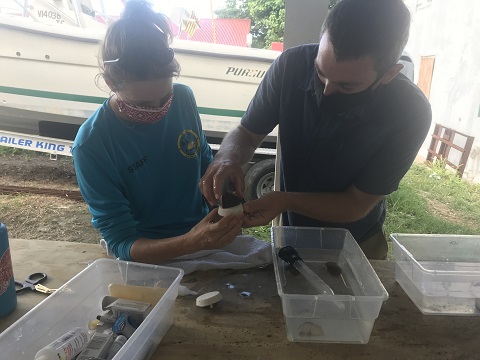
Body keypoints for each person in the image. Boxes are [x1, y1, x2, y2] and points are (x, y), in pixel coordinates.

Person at [200, 0, 432, 260]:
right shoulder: (291, 65)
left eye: (346, 87)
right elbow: (247, 132)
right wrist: (228, 157)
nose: (326, 91)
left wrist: (284, 200)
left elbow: (357, 203)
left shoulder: (410, 112)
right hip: (291, 234)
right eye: (320, 73)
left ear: (389, 74)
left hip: (356, 242)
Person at [72, 1, 242, 264]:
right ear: (109, 83)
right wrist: (189, 242)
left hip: (203, 239)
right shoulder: (92, 145)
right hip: (149, 256)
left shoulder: (184, 98)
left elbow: (202, 162)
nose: (157, 110)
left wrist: (224, 198)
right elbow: (121, 241)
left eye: (165, 96)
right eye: (141, 105)